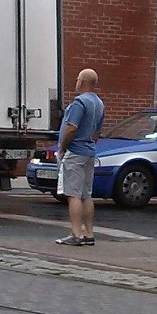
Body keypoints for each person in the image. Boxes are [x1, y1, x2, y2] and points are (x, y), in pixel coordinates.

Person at [55, 68, 105, 246]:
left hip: (75, 152)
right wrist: (90, 143)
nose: (75, 82)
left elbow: (71, 128)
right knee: (86, 195)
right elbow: (97, 132)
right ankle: (89, 233)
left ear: (83, 82)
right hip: (90, 152)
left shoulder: (79, 103)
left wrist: (62, 148)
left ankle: (76, 234)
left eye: (77, 79)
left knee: (73, 194)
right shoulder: (99, 103)